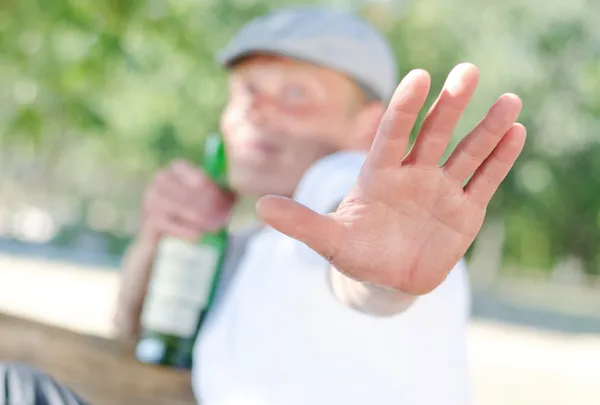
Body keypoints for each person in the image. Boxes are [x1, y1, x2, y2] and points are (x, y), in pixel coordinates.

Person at [0, 6, 526, 405]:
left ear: (368, 125)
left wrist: (380, 280)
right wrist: (157, 238)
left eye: (295, 93)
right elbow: (139, 338)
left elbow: (360, 269)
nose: (257, 108)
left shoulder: (340, 188)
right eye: (246, 90)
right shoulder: (258, 247)